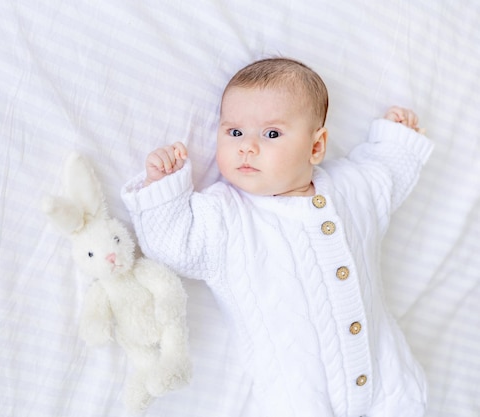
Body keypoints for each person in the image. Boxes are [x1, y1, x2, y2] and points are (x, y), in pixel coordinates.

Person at [121, 57, 432, 416]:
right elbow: (174, 245)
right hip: (299, 399)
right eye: (234, 132)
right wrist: (164, 187)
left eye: (271, 134)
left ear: (316, 147)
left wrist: (397, 137)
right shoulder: (225, 215)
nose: (247, 147)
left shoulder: (351, 187)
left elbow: (386, 175)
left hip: (391, 383)